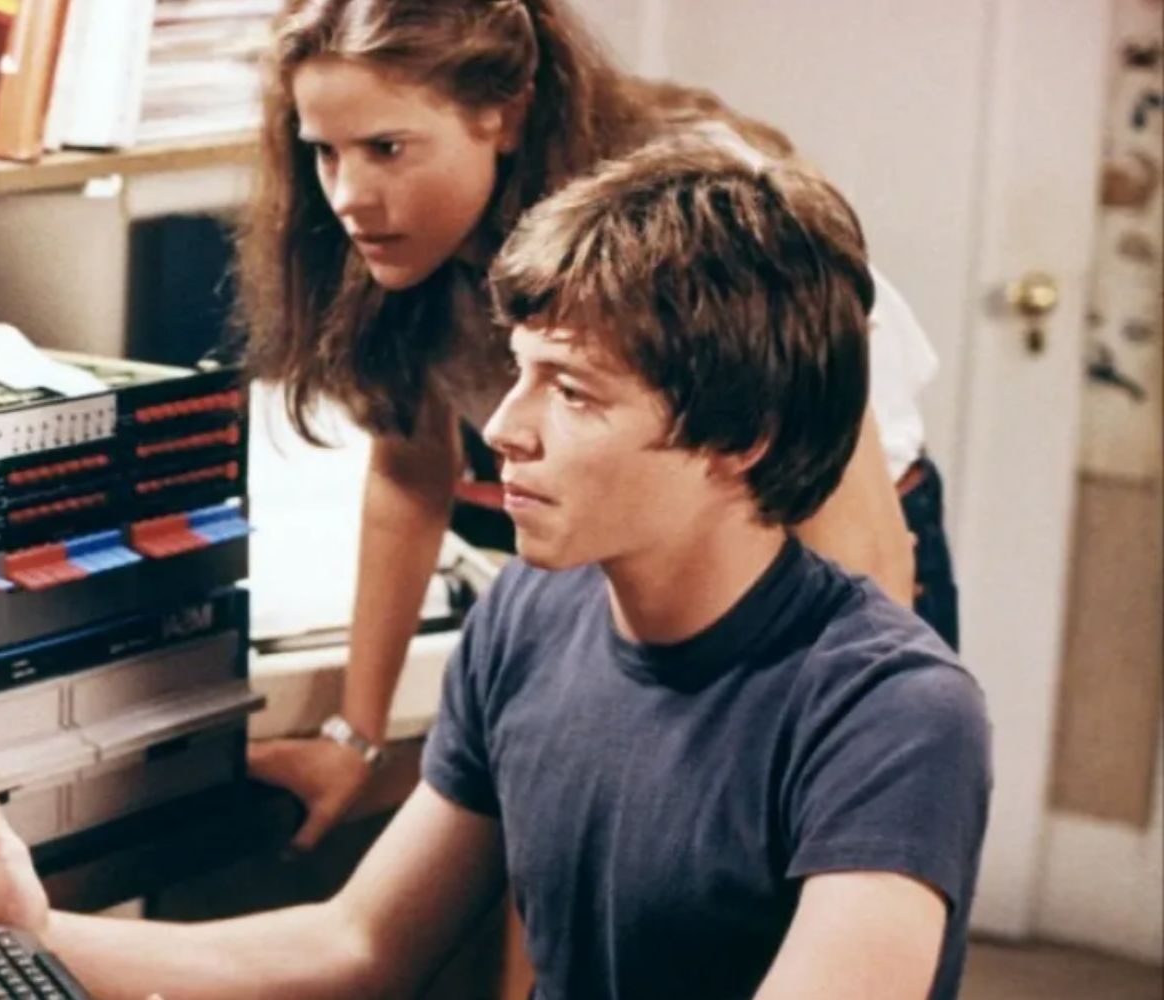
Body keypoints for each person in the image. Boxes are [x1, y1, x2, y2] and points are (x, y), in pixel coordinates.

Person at [0, 139, 993, 1000]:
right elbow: (355, 943)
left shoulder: (891, 711)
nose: (502, 427)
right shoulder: (531, 617)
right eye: (518, 372)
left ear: (737, 436)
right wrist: (30, 932)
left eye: (573, 390)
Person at [237, 0, 957, 852]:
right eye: (325, 152)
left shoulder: (701, 214)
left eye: (387, 148)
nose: (349, 196)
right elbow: (406, 477)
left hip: (812, 545)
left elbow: (859, 545)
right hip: (637, 552)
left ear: (500, 117)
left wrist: (828, 765)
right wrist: (355, 738)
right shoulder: (408, 244)